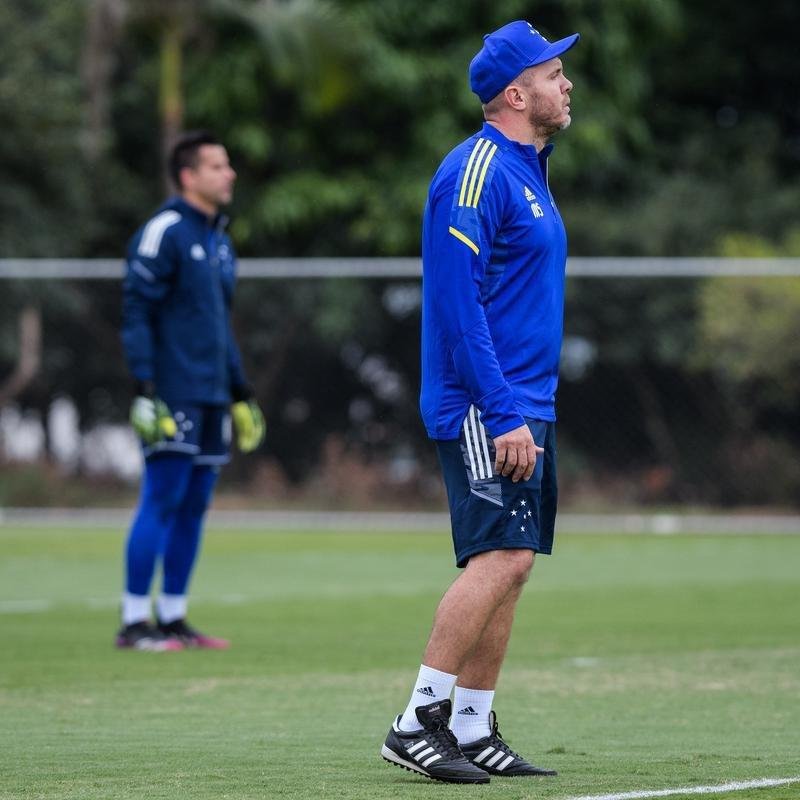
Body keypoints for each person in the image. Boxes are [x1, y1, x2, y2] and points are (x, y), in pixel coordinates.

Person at [381, 21, 578, 783]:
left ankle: (468, 723)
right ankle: (416, 722)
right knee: (498, 555)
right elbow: (458, 309)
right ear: (515, 93)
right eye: (555, 74)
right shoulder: (476, 171)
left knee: (515, 561)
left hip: (527, 403)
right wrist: (500, 411)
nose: (567, 86)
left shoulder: (531, 169)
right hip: (484, 405)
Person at [116, 131, 265, 652]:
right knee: (162, 497)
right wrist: (144, 388)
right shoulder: (164, 232)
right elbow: (136, 313)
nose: (230, 174)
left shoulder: (220, 240)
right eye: (218, 166)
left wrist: (240, 391)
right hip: (171, 392)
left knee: (196, 502)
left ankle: (173, 615)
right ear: (188, 176)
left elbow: (218, 326)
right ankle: (134, 623)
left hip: (211, 395)